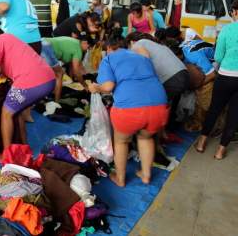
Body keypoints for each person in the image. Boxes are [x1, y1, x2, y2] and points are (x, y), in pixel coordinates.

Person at [88, 33, 168, 187]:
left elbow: (108, 86)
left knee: (121, 142)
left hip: (129, 109)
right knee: (146, 138)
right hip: (159, 105)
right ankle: (145, 175)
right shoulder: (142, 57)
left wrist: (95, 87)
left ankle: (120, 178)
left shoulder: (109, 59)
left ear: (109, 48)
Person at [0, 24, 55, 156]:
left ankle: (7, 154)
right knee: (18, 111)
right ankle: (24, 147)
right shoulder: (12, 40)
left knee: (6, 113)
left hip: (30, 83)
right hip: (48, 80)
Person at [195, 0, 238, 159]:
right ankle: (220, 151)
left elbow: (218, 56)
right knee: (234, 116)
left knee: (214, 109)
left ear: (235, 11)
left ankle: (201, 143)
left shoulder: (227, 30)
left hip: (226, 77)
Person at [181, 36, 217, 132]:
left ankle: (203, 121)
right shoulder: (181, 47)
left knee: (203, 91)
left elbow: (212, 75)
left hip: (216, 62)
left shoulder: (194, 56)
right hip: (205, 59)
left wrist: (196, 86)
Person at [41, 36, 89, 101]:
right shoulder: (78, 50)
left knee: (46, 73)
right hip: (47, 46)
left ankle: (47, 95)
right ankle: (56, 102)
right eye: (88, 47)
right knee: (59, 74)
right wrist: (85, 85)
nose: (87, 49)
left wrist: (72, 80)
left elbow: (71, 65)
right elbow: (76, 72)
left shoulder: (74, 42)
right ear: (84, 43)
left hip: (41, 41)